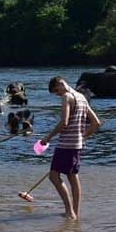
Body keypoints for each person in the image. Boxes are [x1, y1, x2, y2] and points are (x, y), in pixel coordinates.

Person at [40, 76, 102, 220]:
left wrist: (47, 137)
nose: (58, 94)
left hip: (66, 144)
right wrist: (83, 137)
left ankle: (69, 211)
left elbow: (64, 122)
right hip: (77, 144)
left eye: (57, 90)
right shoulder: (81, 97)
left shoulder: (67, 97)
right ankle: (75, 212)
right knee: (73, 177)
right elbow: (96, 123)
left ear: (61, 84)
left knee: (53, 176)